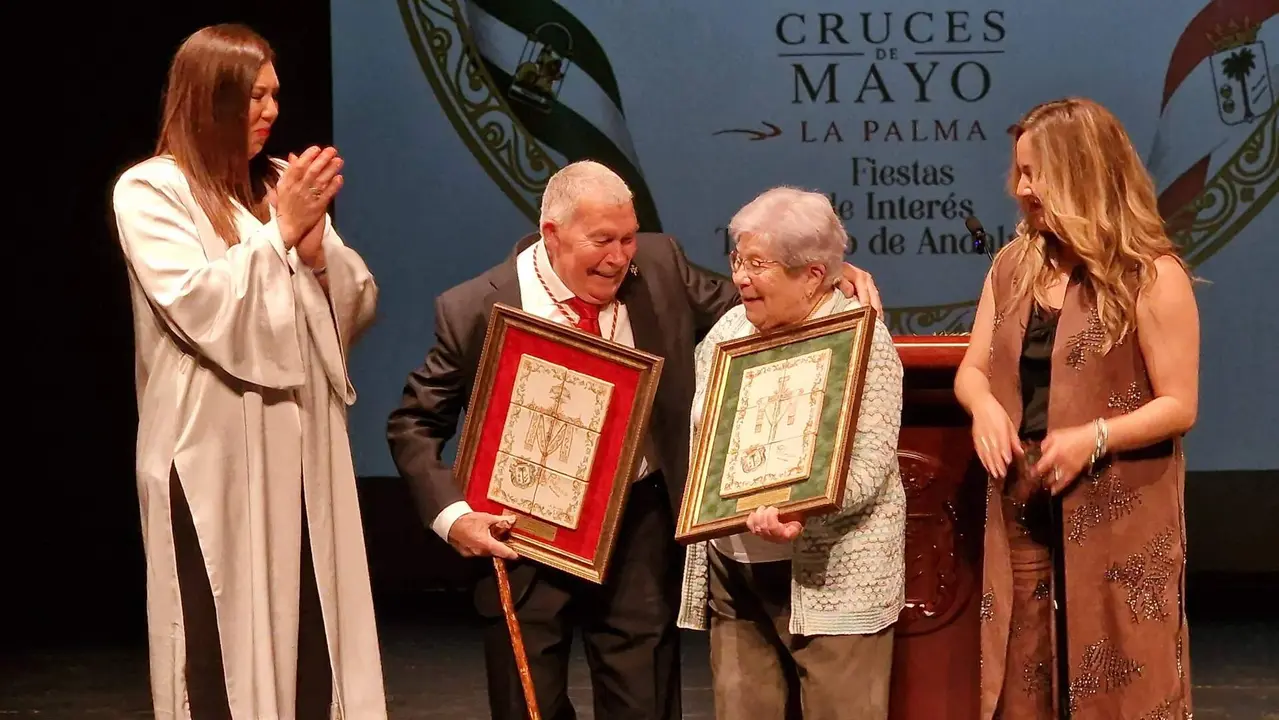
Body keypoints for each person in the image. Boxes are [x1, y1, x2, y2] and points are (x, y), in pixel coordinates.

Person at [386, 160, 882, 720]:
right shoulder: (474, 307)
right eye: (602, 240)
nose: (621, 256)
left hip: (638, 525)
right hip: (521, 531)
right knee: (531, 707)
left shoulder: (660, 266)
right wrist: (455, 517)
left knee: (642, 701)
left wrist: (824, 275)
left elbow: (759, 306)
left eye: (627, 237)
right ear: (552, 233)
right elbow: (414, 424)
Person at [111, 24, 387, 720]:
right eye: (254, 96)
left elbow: (351, 306)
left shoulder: (270, 186)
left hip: (296, 451)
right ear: (213, 98)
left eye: (274, 95)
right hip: (210, 457)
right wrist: (280, 232)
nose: (269, 111)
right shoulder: (152, 190)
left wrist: (319, 252)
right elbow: (200, 304)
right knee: (219, 645)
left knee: (309, 635)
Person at [954, 98, 1199, 720]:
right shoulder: (1013, 265)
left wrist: (1094, 435)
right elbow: (972, 370)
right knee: (1023, 664)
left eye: (1036, 173)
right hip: (1024, 496)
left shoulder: (1149, 274)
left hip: (1117, 502)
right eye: (1020, 173)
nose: (1023, 188)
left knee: (1120, 667)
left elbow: (1179, 404)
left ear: (1082, 173)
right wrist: (982, 406)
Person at [676, 187, 905, 720]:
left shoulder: (863, 342)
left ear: (812, 276)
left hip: (832, 583)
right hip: (735, 575)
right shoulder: (730, 331)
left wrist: (798, 508)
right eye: (738, 259)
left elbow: (868, 468)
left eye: (759, 264)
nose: (741, 278)